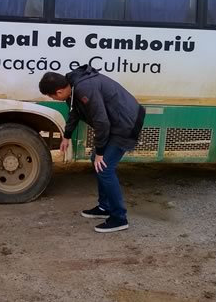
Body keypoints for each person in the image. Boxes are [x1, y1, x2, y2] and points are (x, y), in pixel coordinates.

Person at [39, 64, 145, 233]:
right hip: (114, 123)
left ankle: (119, 218)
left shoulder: (84, 87)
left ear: (59, 92)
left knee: (104, 167)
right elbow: (74, 112)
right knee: (96, 161)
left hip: (126, 123)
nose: (54, 99)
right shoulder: (73, 88)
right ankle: (105, 207)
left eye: (52, 97)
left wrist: (100, 153)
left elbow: (101, 122)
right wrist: (66, 136)